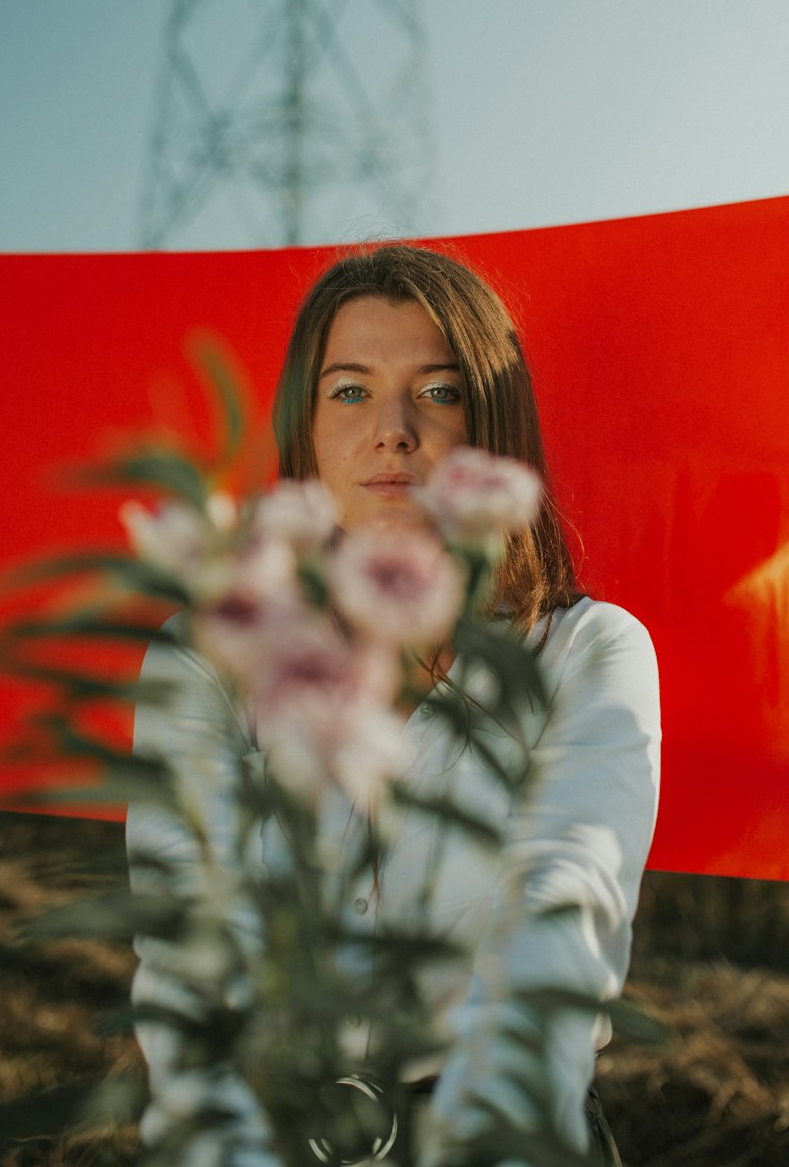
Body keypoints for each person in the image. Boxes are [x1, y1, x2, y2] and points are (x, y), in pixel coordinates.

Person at [127, 242, 661, 1165]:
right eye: (350, 390)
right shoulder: (207, 655)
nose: (394, 430)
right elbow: (186, 950)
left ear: (495, 426)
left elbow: (567, 903)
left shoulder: (589, 652)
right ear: (305, 428)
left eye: (441, 391)